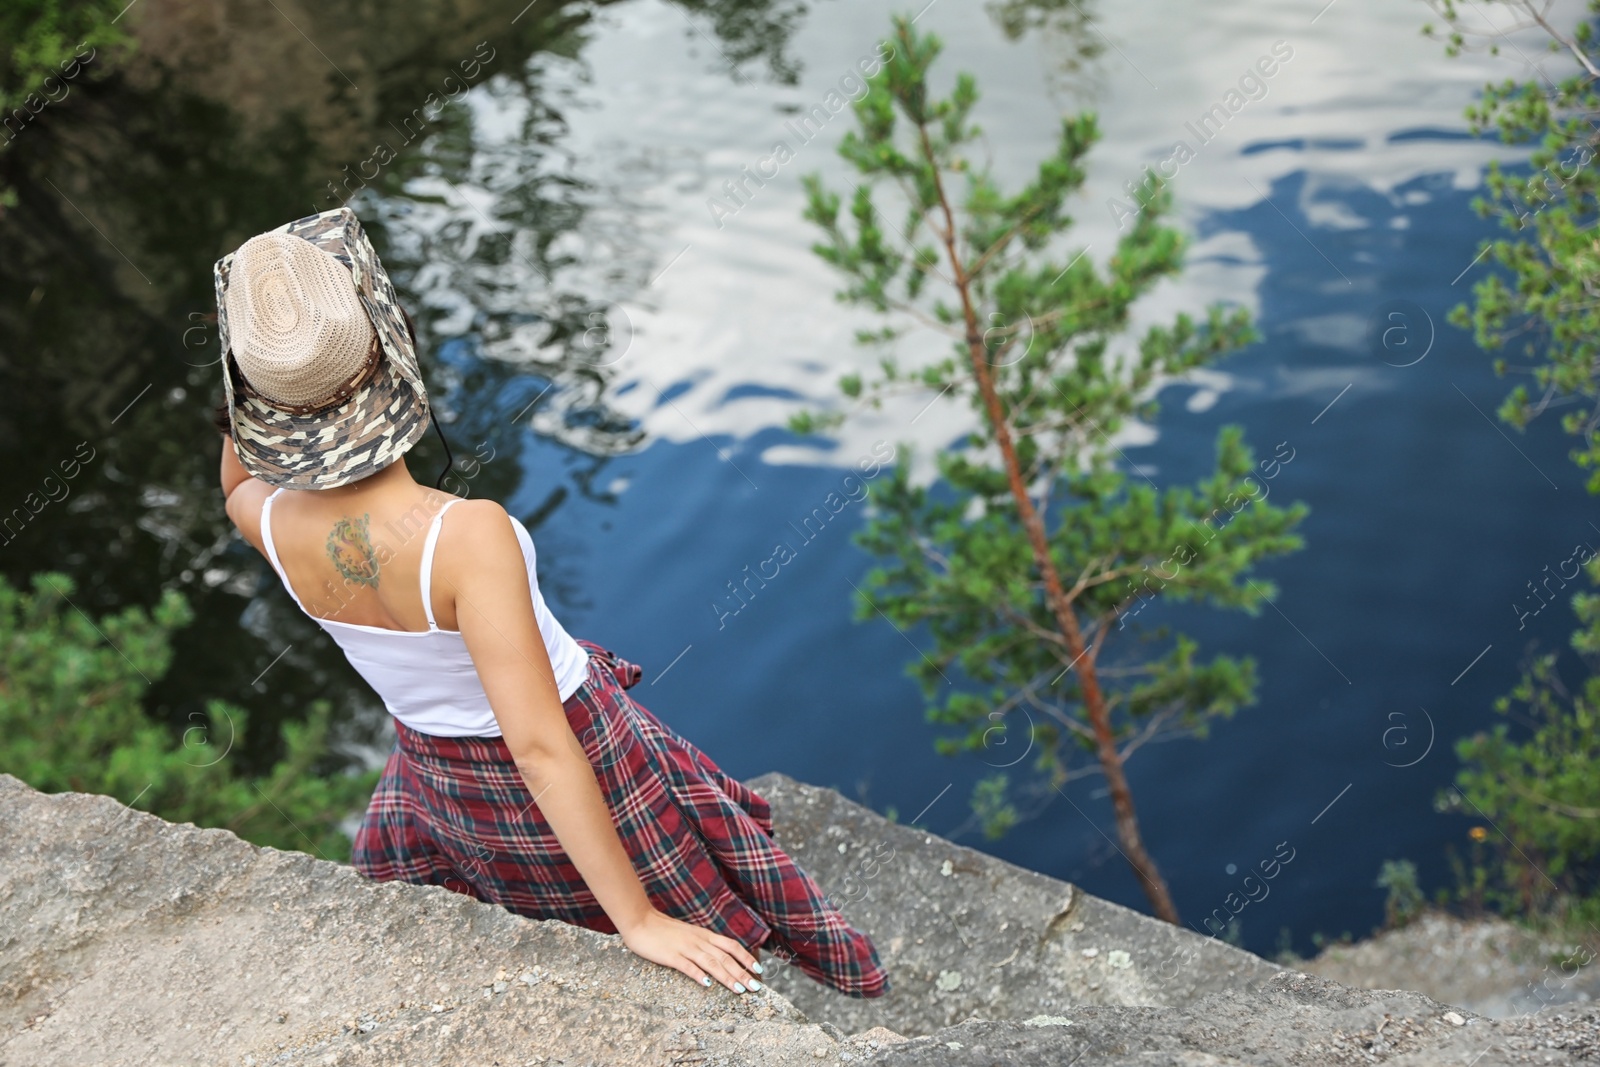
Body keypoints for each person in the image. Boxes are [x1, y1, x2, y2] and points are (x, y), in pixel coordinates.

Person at [210, 206, 888, 998]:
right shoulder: (465, 536)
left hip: (442, 782)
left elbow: (236, 479)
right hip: (573, 762)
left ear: (258, 403)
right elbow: (537, 745)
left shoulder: (271, 523)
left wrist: (255, 389)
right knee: (695, 907)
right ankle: (642, 920)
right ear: (388, 349)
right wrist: (638, 920)